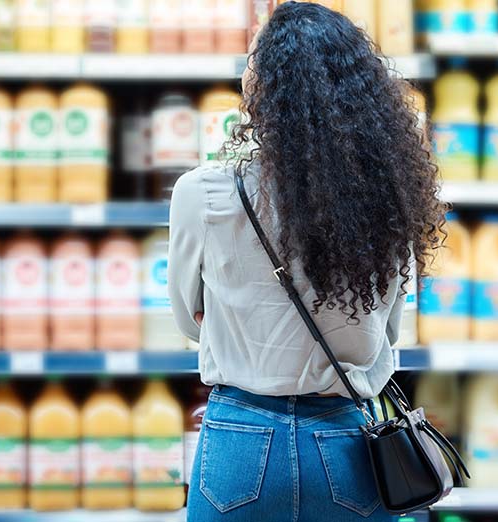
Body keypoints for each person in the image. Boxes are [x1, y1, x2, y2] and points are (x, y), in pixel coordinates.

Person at [169, 2, 447, 521]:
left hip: (239, 444)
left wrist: (236, 320)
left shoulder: (203, 194)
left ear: (264, 86)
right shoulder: (388, 199)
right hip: (347, 446)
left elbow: (189, 320)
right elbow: (386, 335)